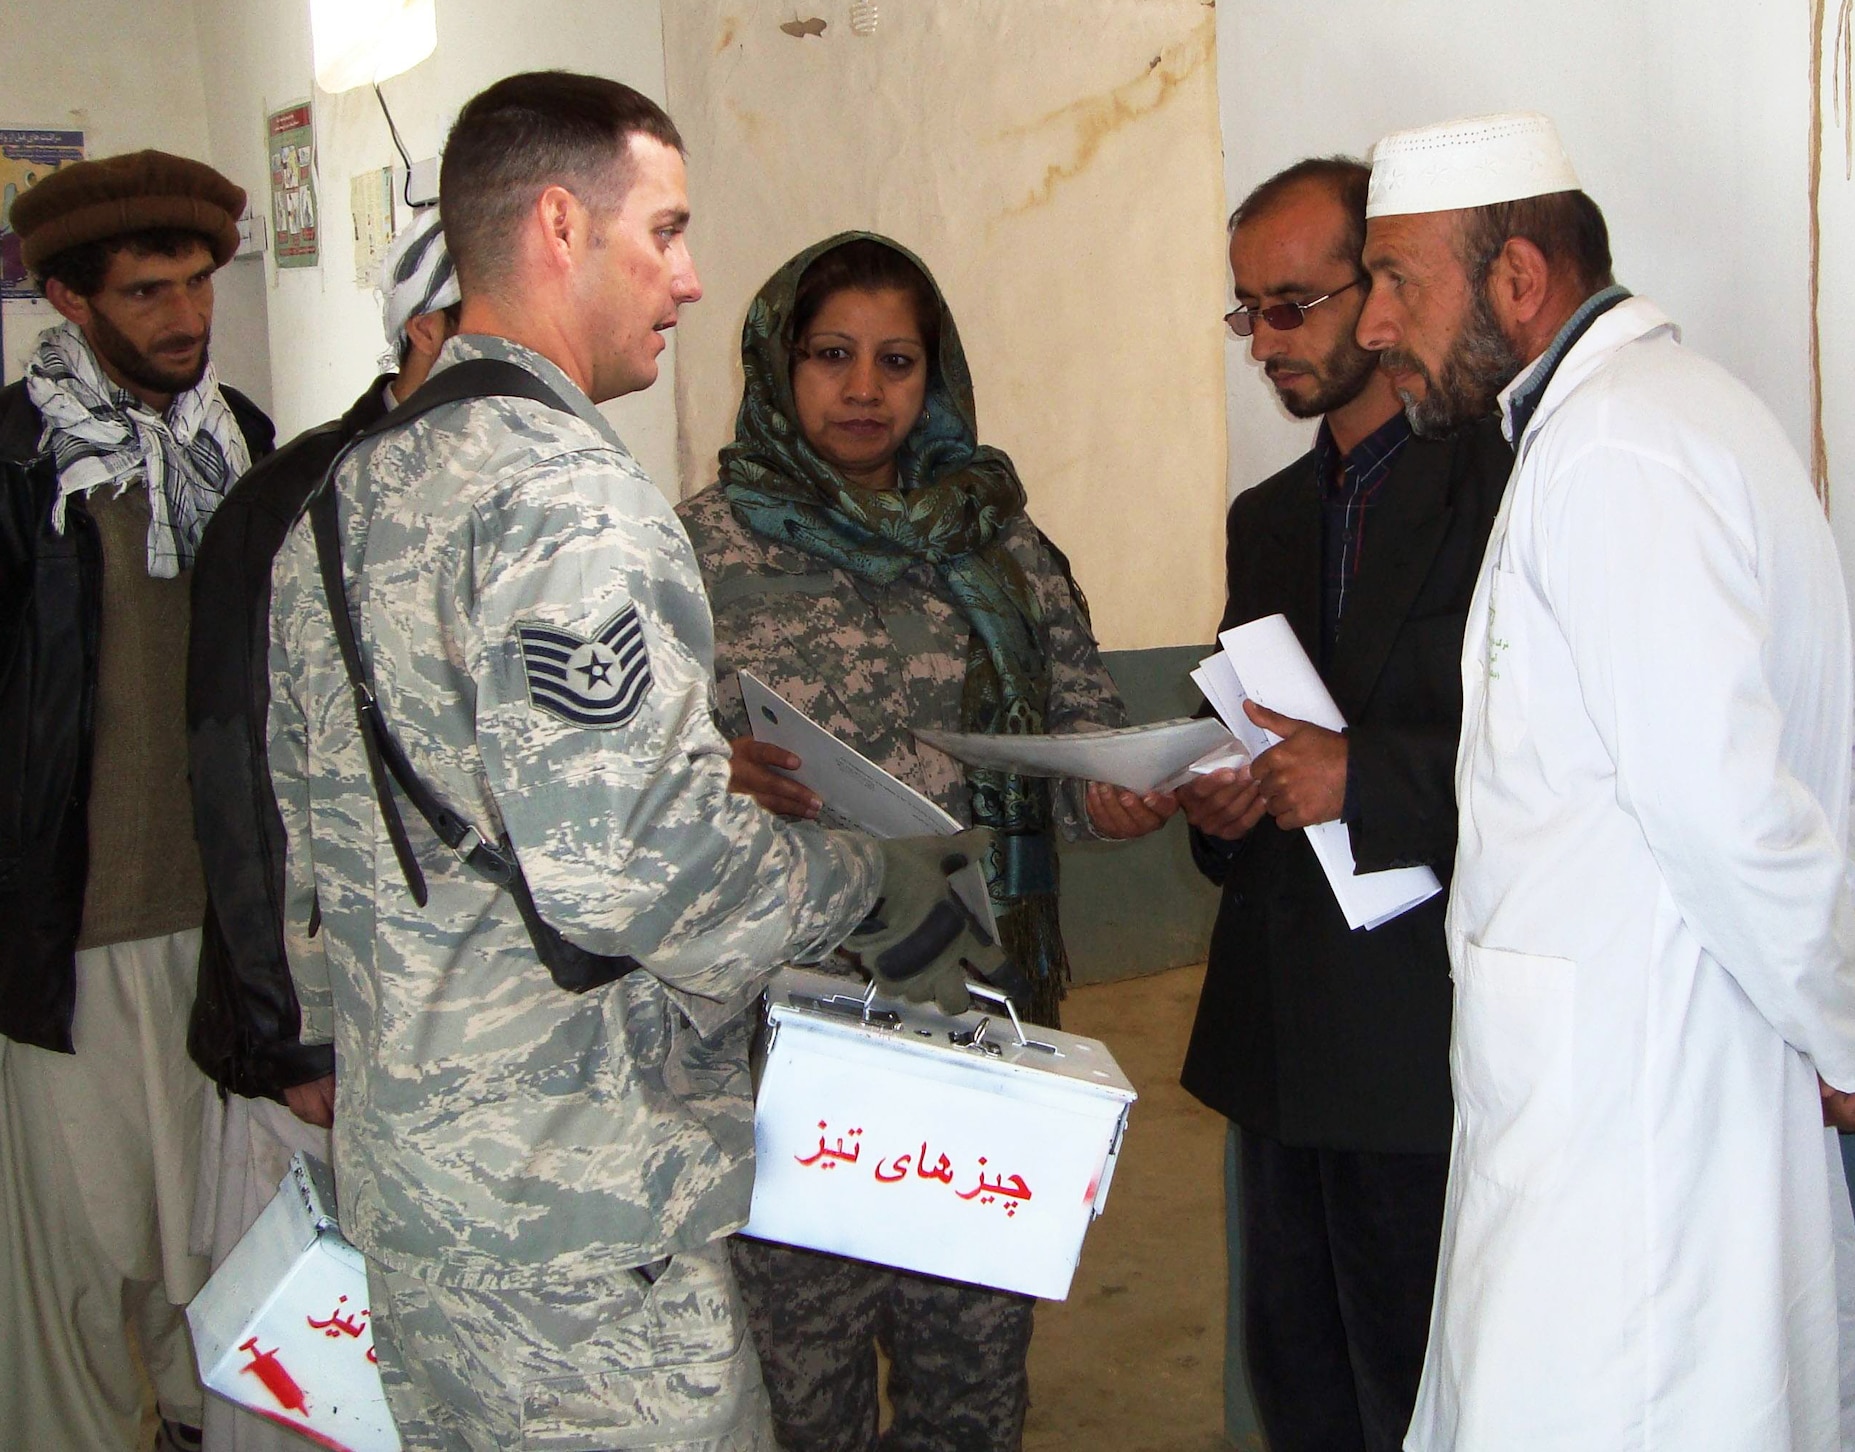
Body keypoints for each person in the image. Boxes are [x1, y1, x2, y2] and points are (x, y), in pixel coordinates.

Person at [264, 73, 991, 1448]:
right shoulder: (567, 494)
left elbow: (308, 835)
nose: (692, 278)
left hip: (420, 1207)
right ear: (559, 224)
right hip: (585, 1234)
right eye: (663, 231)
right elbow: (637, 874)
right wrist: (865, 878)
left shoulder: (350, 490)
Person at [1351, 110, 1855, 1451]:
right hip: (1639, 1100)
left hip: (1627, 1153)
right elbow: (1847, 765)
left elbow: (1731, 810)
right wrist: (1849, 992)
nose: (1369, 325)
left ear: (1519, 277)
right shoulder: (1655, 423)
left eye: (1398, 280)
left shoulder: (1621, 453)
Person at [678, 231, 1172, 1452]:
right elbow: (641, 774)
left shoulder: (999, 545)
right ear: (775, 366)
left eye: (895, 360)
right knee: (805, 1378)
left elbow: (1078, 726)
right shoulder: (697, 550)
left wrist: (1106, 792)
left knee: (971, 1373)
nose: (862, 389)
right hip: (789, 1032)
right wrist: (708, 771)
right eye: (830, 356)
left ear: (933, 374)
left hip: (981, 1017)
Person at [1172, 159, 1513, 1452]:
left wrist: (1360, 774)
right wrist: (1225, 800)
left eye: (1294, 305)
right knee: (1294, 1378)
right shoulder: (1267, 518)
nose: (1267, 342)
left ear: (1381, 296)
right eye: (1247, 311)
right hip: (1276, 1037)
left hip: (1418, 1038)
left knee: (1415, 1387)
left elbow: (1559, 759)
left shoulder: (1504, 486)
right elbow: (1261, 737)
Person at [0, 149, 274, 1451]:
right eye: (148, 292)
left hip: (225, 933)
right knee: (72, 1272)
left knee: (218, 1252)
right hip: (66, 940)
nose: (184, 319)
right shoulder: (12, 470)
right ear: (66, 299)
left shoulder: (243, 450)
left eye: (199, 286)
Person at [184, 209, 461, 1452]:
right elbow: (241, 789)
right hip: (335, 1028)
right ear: (423, 331)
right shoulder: (291, 505)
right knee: (325, 1379)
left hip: (478, 1037)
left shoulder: (520, 494)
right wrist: (292, 1034)